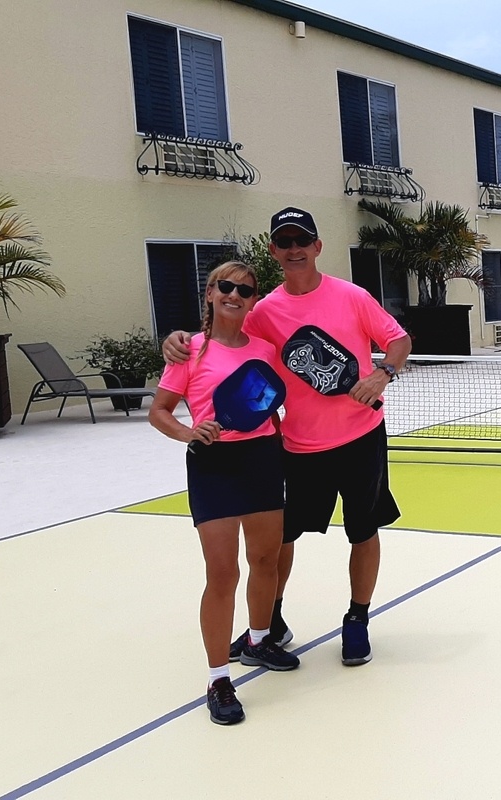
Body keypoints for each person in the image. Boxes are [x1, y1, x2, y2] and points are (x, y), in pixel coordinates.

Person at [163, 207, 411, 669]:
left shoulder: (353, 296)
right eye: (285, 242)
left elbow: (398, 341)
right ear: (274, 250)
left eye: (303, 240)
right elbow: (225, 338)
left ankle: (357, 620)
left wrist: (382, 374)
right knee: (280, 541)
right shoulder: (263, 312)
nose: (295, 249)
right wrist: (177, 341)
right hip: (296, 447)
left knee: (363, 530)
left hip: (362, 438)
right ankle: (269, 624)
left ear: (317, 246)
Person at [149, 260, 300, 726]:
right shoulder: (188, 351)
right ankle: (218, 679)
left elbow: (271, 400)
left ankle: (257, 640)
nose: (236, 295)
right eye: (226, 287)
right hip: (212, 466)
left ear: (254, 299)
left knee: (266, 560)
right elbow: (160, 411)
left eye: (246, 290)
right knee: (221, 574)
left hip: (262, 460)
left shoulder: (266, 348)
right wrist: (190, 433)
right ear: (211, 294)